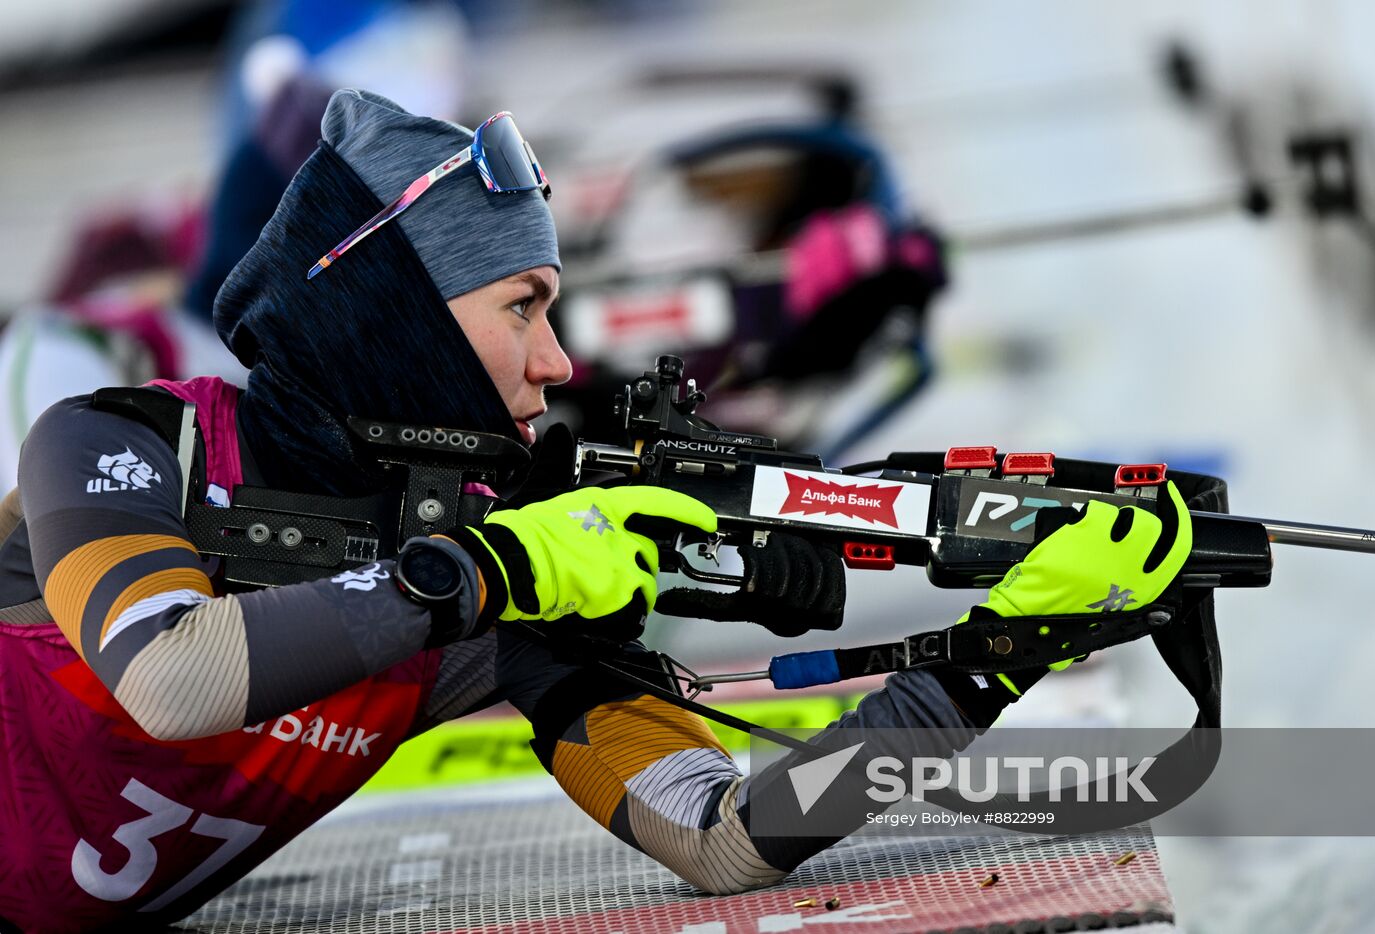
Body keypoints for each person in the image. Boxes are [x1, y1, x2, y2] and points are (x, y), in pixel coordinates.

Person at [0, 90, 1192, 933]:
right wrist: (483, 571)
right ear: (400, 309)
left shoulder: (509, 562)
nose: (561, 360)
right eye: (522, 305)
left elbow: (727, 839)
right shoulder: (125, 442)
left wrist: (981, 671)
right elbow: (170, 677)